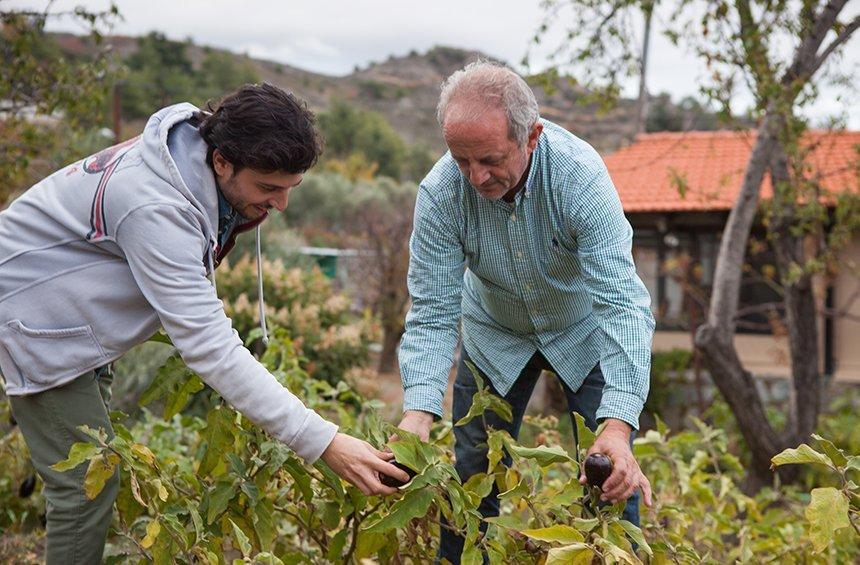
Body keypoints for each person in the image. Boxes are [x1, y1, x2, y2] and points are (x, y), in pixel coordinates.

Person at [0, 83, 409, 565]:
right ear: (222, 163)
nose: (281, 206)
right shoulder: (155, 207)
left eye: (289, 189)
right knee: (85, 485)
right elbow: (209, 346)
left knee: (92, 466)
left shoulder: (194, 146)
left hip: (71, 316)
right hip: (31, 319)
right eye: (268, 187)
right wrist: (324, 442)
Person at [394, 62, 655, 563]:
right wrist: (417, 413)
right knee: (473, 475)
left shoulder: (580, 180)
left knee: (608, 469)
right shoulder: (441, 192)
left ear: (531, 136)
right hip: (493, 334)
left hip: (581, 333)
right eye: (461, 159)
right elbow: (431, 310)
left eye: (490, 159)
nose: (476, 176)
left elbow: (622, 301)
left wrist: (619, 427)